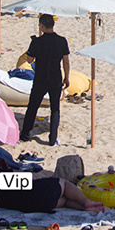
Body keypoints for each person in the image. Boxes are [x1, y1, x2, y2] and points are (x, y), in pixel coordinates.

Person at [20, 14, 70, 146]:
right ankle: (52, 139)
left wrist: (32, 47)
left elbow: (30, 60)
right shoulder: (62, 40)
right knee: (55, 109)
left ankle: (25, 135)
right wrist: (67, 77)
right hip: (55, 78)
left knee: (33, 107)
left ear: (42, 26)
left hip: (40, 78)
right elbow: (66, 61)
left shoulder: (37, 42)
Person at [0, 167, 105, 214]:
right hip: (39, 194)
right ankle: (86, 202)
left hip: (36, 206)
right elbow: (28, 178)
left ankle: (84, 208)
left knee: (64, 201)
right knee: (63, 183)